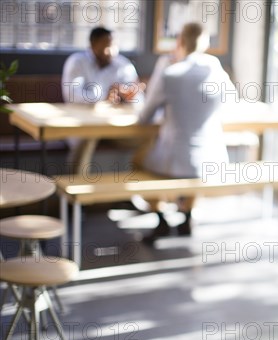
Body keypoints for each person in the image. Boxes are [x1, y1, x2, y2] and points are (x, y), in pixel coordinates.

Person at [136, 22, 235, 243]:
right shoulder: (215, 68)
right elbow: (230, 104)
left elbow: (144, 118)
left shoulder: (170, 72)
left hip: (176, 158)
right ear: (206, 42)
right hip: (213, 159)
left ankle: (160, 217)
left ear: (180, 42)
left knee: (138, 162)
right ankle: (187, 215)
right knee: (192, 162)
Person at [61, 26, 144, 171]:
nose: (112, 51)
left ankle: (137, 188)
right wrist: (104, 97)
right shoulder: (77, 62)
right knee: (85, 136)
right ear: (93, 45)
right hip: (86, 125)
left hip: (116, 128)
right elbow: (72, 95)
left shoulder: (123, 65)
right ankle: (75, 188)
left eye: (114, 46)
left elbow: (139, 99)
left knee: (150, 138)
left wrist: (129, 96)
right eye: (106, 46)